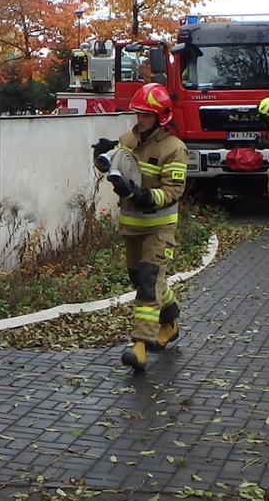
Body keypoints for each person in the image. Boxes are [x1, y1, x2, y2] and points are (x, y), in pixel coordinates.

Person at [91, 82, 189, 375]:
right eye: (138, 113)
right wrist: (105, 158)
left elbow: (173, 191)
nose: (140, 119)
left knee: (147, 281)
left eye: (146, 114)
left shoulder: (174, 149)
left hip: (160, 227)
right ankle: (170, 319)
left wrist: (142, 196)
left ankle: (140, 347)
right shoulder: (128, 139)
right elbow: (119, 164)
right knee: (141, 279)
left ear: (161, 117)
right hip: (132, 226)